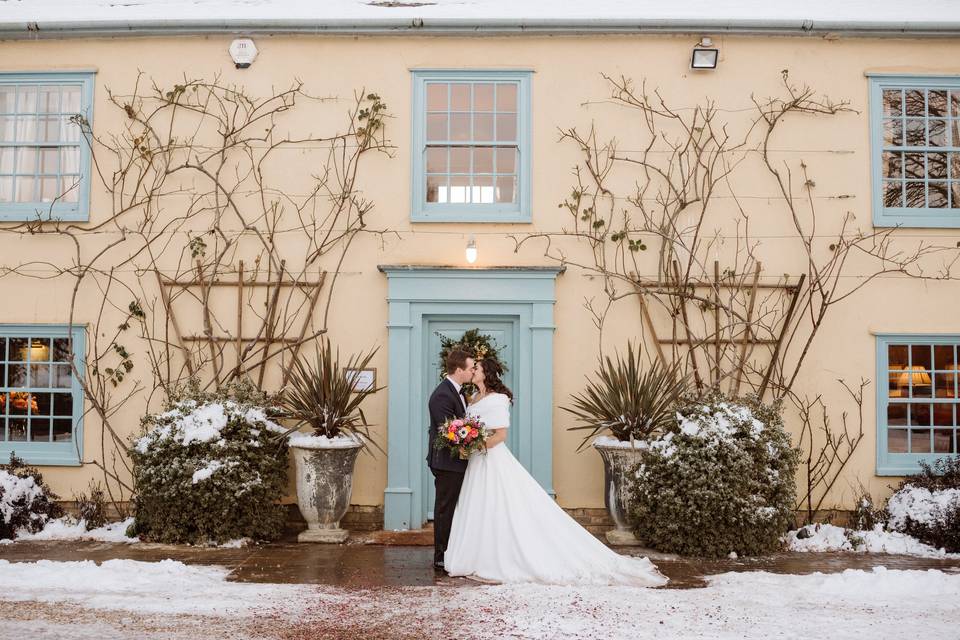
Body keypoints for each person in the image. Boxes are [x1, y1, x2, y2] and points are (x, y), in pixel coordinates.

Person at [443, 358, 667, 586]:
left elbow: (500, 436)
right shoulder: (473, 397)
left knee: (498, 505)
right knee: (479, 506)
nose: (473, 371)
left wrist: (474, 446)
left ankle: (500, 557)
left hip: (491, 459)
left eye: (477, 368)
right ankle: (477, 553)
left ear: (486, 372)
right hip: (476, 463)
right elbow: (473, 427)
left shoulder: (498, 400)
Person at [426, 348, 476, 570]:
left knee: (455, 507)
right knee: (445, 508)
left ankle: (453, 550)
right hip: (447, 462)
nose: (473, 371)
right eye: (471, 368)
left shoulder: (457, 391)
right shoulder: (442, 395)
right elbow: (450, 432)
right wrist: (478, 441)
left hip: (457, 462)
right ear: (459, 370)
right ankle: (441, 555)